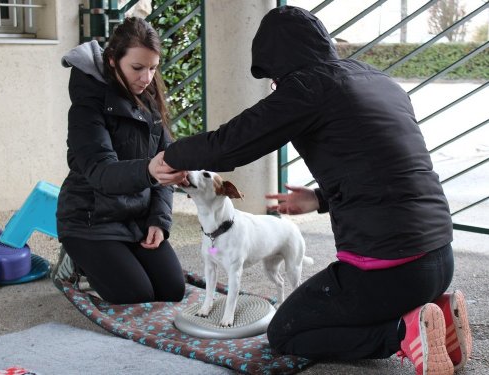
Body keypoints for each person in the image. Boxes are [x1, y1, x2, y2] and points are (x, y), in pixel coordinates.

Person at [148, 5, 472, 374]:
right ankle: (438, 315)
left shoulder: (306, 86)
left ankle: (403, 333)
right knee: (342, 309)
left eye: (273, 79)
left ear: (281, 64)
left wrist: (170, 156)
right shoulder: (376, 79)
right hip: (438, 258)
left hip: (387, 272)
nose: (275, 88)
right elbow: (386, 171)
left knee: (288, 331)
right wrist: (318, 199)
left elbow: (228, 144)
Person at [53, 17, 188, 304]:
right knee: (136, 295)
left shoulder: (149, 99)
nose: (147, 78)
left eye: (153, 68)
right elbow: (101, 172)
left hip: (136, 219)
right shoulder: (86, 106)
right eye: (137, 68)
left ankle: (115, 258)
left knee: (172, 290)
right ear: (113, 61)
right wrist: (149, 171)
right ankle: (75, 261)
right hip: (89, 220)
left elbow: (166, 168)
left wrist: (158, 221)